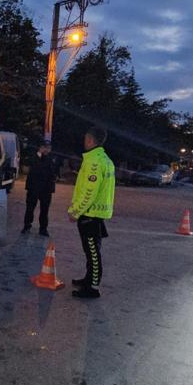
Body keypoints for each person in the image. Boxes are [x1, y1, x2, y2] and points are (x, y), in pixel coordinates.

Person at [68, 127, 115, 299]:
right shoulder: (104, 160)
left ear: (90, 140)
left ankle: (93, 288)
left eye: (85, 138)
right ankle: (88, 280)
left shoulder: (94, 162)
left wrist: (75, 211)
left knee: (93, 253)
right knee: (91, 251)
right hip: (95, 214)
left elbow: (89, 192)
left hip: (90, 214)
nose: (84, 141)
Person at [22, 139, 56, 236]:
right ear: (40, 148)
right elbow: (29, 164)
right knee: (30, 208)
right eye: (44, 147)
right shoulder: (34, 156)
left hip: (46, 189)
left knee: (45, 210)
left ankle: (43, 229)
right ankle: (27, 225)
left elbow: (53, 171)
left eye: (48, 148)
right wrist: (39, 156)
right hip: (34, 187)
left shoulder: (52, 158)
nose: (46, 150)